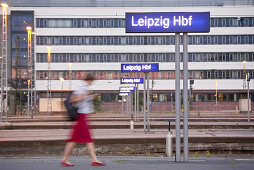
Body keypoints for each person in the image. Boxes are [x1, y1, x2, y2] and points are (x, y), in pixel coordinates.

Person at [61, 74, 105, 167]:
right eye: (92, 81)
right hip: (81, 116)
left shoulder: (85, 87)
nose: (92, 83)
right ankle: (94, 159)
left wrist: (91, 96)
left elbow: (83, 100)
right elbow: (73, 99)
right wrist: (85, 96)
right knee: (82, 139)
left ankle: (93, 159)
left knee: (79, 138)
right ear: (89, 80)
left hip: (84, 116)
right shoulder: (81, 87)